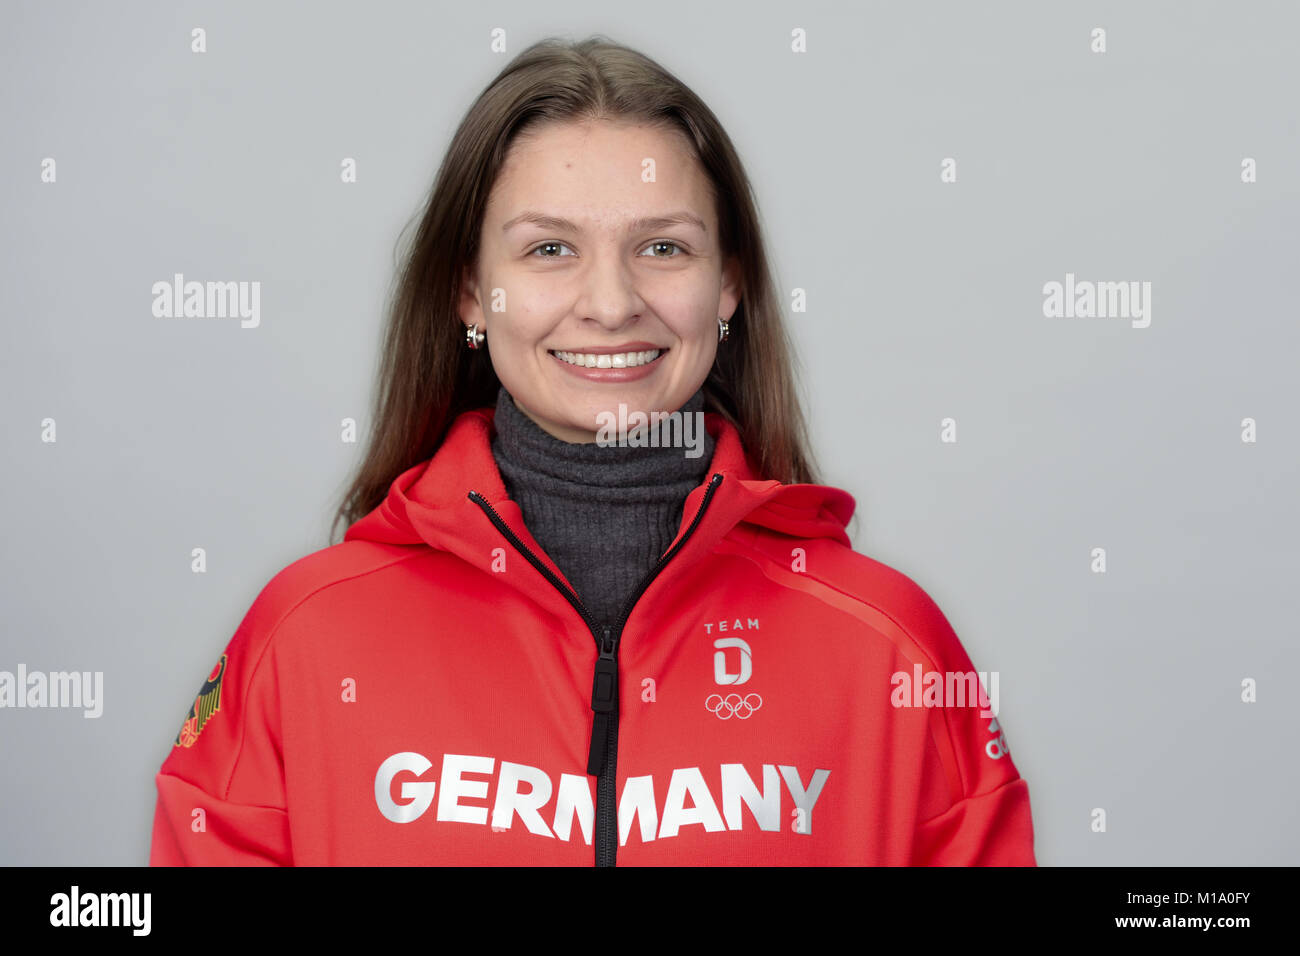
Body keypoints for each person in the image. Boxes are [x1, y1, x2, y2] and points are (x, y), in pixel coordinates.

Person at [149, 35, 1036, 866]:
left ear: (728, 284)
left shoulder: (891, 651)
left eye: (662, 247)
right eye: (548, 249)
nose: (610, 303)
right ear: (469, 291)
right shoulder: (304, 639)